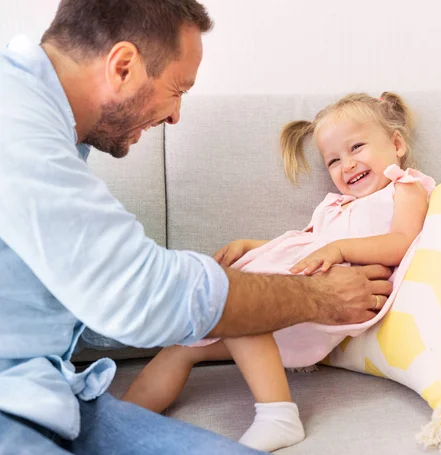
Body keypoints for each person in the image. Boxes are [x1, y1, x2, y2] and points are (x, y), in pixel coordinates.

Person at [0, 1, 394, 454]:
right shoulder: (15, 123)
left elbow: (89, 296)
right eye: (177, 89)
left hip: (53, 395)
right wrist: (320, 298)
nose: (175, 116)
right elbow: (138, 293)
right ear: (123, 66)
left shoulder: (49, 127)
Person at [122, 92, 436, 452]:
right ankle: (115, 421)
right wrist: (253, 246)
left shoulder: (404, 188)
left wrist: (341, 249)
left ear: (396, 144)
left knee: (241, 305)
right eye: (333, 160)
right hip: (309, 285)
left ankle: (278, 415)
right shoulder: (337, 205)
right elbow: (304, 243)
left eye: (356, 148)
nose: (346, 165)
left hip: (340, 299)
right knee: (182, 347)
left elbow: (402, 239)